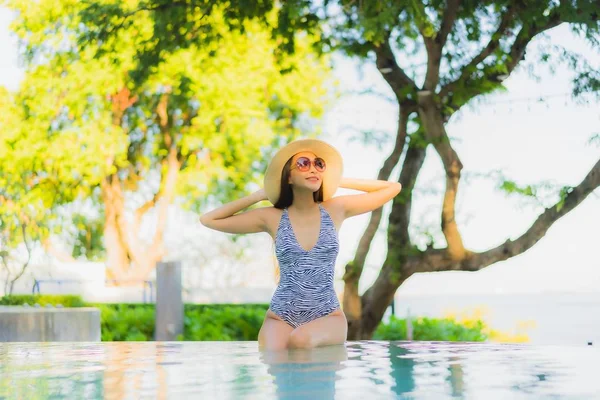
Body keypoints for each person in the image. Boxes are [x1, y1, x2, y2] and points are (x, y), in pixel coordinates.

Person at [200, 138, 402, 350]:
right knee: (273, 359)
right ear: (288, 176)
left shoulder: (336, 209)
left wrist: (336, 179)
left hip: (328, 315)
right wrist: (258, 196)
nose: (313, 169)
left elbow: (392, 188)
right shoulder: (271, 217)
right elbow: (209, 220)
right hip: (280, 317)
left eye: (319, 164)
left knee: (301, 341)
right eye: (304, 163)